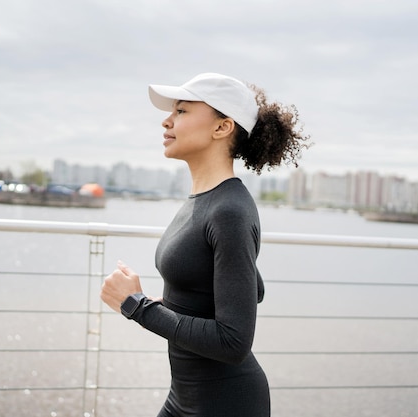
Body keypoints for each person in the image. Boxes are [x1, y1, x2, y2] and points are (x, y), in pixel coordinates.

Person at [100, 72, 309, 417]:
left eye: (182, 111)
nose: (167, 120)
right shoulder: (205, 201)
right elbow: (246, 290)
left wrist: (136, 306)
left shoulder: (229, 210)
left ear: (222, 128)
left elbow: (233, 341)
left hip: (226, 404)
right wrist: (162, 302)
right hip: (183, 399)